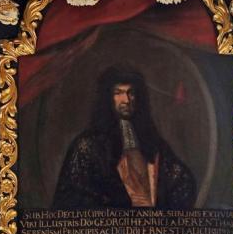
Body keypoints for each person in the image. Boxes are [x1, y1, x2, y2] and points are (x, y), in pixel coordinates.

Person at [53, 67, 196, 209]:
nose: (126, 100)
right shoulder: (86, 146)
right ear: (108, 98)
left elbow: (179, 178)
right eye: (118, 93)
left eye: (131, 93)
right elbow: (72, 198)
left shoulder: (151, 141)